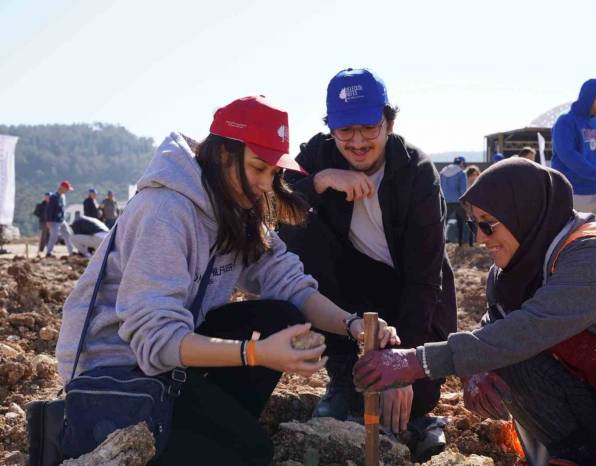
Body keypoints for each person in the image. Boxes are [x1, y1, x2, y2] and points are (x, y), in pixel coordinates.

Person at [56, 96, 398, 466]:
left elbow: (292, 286)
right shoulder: (165, 211)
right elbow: (155, 340)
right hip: (115, 375)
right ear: (223, 155)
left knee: (278, 316)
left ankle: (216, 427)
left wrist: (352, 326)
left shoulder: (238, 208)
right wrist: (257, 354)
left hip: (171, 365)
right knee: (251, 453)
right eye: (257, 168)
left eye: (273, 172)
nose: (266, 185)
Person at [354, 157, 596, 466]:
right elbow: (496, 331)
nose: (480, 237)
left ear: (525, 214)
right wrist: (477, 370)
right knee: (504, 353)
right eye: (474, 224)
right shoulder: (507, 275)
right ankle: (572, 454)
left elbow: (530, 328)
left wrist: (415, 362)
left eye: (488, 223)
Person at [279, 68, 456, 460]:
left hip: (411, 294)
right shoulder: (317, 156)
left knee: (416, 397)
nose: (358, 142)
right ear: (331, 129)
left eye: (369, 128)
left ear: (389, 123)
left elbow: (425, 280)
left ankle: (419, 419)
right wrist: (322, 180)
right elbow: (276, 208)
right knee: (300, 234)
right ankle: (343, 375)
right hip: (350, 294)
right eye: (345, 131)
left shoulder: (416, 171)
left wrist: (403, 364)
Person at [551, 79, 596, 236]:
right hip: (572, 196)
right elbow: (568, 156)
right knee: (565, 245)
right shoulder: (565, 122)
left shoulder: (595, 121)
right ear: (588, 97)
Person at [440, 156, 468, 245]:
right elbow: (463, 190)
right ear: (462, 163)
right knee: (461, 222)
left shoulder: (443, 172)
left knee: (443, 222)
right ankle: (461, 242)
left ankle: (442, 241)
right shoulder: (461, 173)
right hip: (458, 201)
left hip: (445, 200)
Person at [45, 180, 75, 257]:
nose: (67, 191)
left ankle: (71, 252)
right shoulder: (53, 197)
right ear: (63, 188)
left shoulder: (63, 197)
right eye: (67, 189)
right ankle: (48, 252)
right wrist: (49, 221)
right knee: (54, 237)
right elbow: (49, 210)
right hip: (54, 221)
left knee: (68, 234)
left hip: (61, 220)